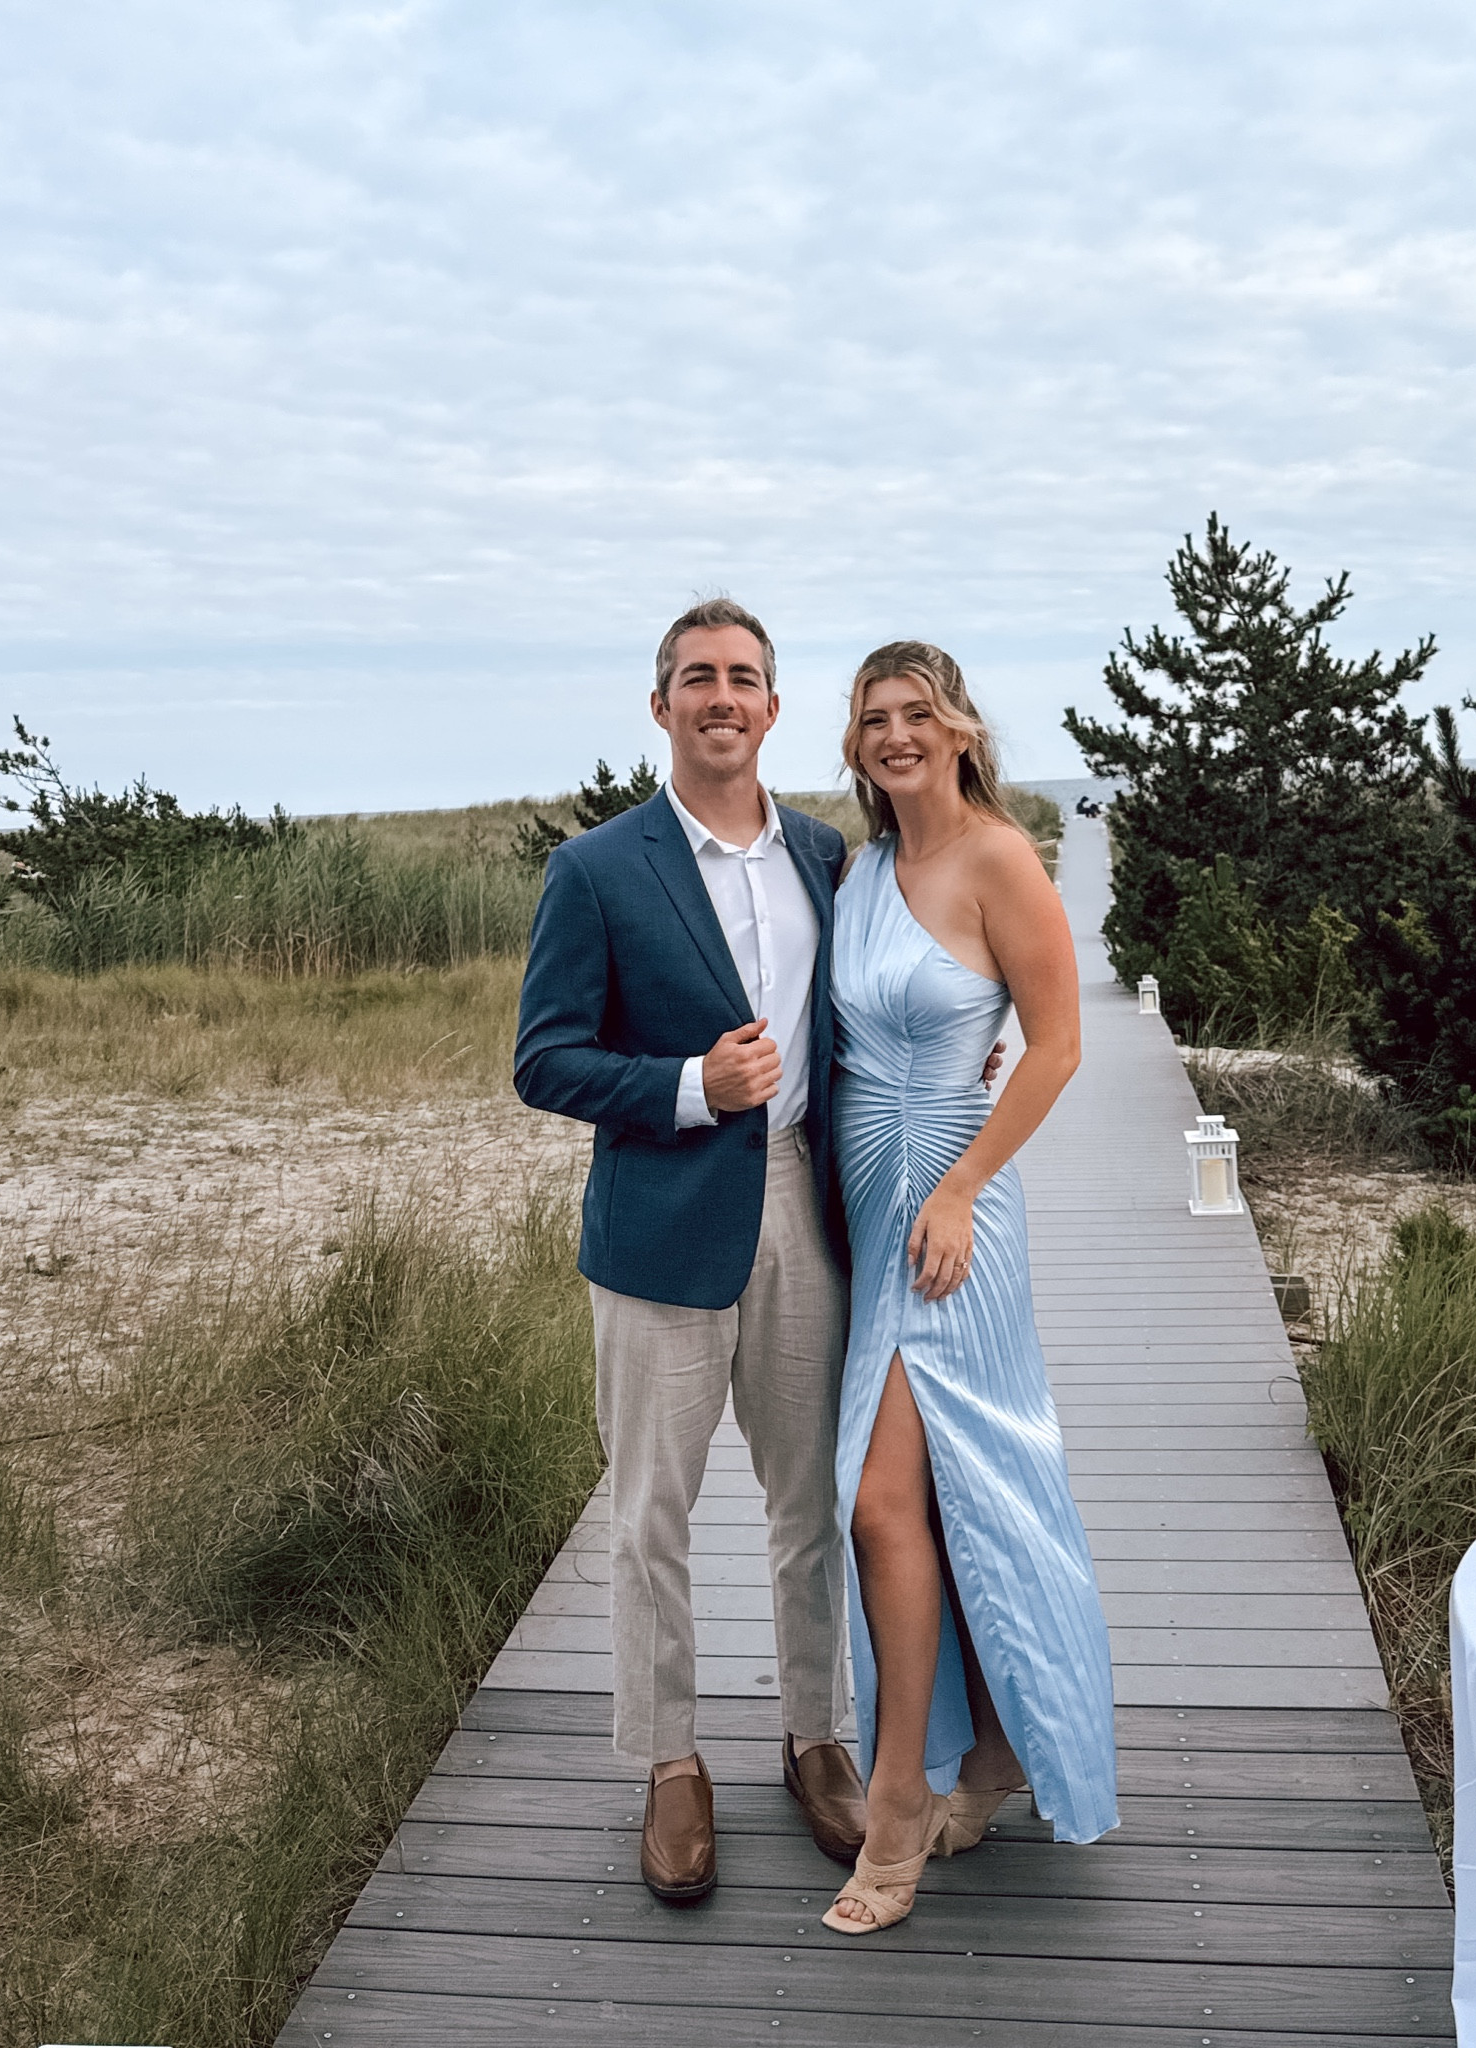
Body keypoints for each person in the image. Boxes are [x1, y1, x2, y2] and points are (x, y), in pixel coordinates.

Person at [511, 598, 868, 1904]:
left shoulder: (829, 859)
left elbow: (870, 1017)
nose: (723, 696)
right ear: (660, 707)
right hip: (659, 1230)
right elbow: (543, 1060)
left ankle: (817, 1737)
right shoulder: (597, 872)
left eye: (746, 678)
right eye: (697, 678)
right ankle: (670, 1764)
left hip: (804, 1217)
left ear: (774, 708)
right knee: (649, 1517)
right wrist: (685, 1086)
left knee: (807, 1504)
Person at [821, 641, 1119, 1935]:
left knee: (891, 1503)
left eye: (916, 713)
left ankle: (896, 1799)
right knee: (940, 1501)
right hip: (867, 1208)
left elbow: (1055, 1047)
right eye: (874, 718)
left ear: (958, 730)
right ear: (858, 743)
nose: (895, 734)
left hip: (955, 1218)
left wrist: (956, 1189)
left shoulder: (1000, 857)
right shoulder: (858, 869)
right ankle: (992, 1753)